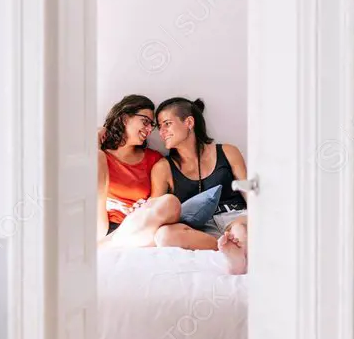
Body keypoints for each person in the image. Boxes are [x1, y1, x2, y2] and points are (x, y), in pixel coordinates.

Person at [150, 98, 250, 274]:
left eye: (167, 124)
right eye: (160, 127)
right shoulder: (162, 168)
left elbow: (250, 195)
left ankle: (237, 253)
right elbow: (157, 213)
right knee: (163, 236)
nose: (162, 132)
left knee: (240, 229)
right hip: (201, 232)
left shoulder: (228, 152)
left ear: (189, 122)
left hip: (235, 217)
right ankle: (228, 247)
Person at [96, 95, 182, 246]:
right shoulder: (101, 155)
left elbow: (155, 204)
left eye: (151, 125)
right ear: (124, 118)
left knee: (171, 202)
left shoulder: (154, 159)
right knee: (96, 156)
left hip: (138, 228)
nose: (149, 129)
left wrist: (143, 207)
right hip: (101, 225)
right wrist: (96, 135)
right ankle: (105, 242)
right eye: (145, 122)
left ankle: (109, 244)